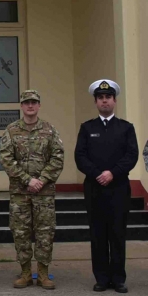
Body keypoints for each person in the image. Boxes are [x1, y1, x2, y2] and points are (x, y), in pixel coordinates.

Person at [74, 80, 138, 293]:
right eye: (100, 98)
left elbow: (132, 156)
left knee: (118, 235)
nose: (104, 101)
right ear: (95, 102)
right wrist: (97, 174)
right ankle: (101, 278)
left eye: (108, 97)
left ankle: (118, 279)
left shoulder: (126, 128)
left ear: (114, 101)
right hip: (95, 189)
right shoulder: (87, 128)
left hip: (118, 188)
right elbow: (80, 156)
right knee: (98, 235)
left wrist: (112, 173)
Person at [0, 90, 64, 290]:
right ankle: (26, 273)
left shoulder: (49, 130)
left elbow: (58, 157)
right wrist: (28, 180)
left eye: (34, 102)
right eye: (26, 102)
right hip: (20, 192)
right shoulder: (11, 130)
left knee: (45, 233)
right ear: (21, 106)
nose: (30, 106)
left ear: (39, 105)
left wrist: (41, 180)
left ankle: (43, 274)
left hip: (44, 193)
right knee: (21, 232)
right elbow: (6, 159)